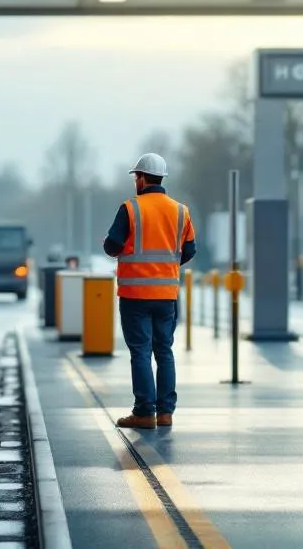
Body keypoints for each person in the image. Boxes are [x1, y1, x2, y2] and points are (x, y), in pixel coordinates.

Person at [103, 153, 196, 430]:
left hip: (135, 297)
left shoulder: (130, 209)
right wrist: (164, 268)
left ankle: (144, 411)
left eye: (136, 177)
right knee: (164, 351)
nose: (135, 181)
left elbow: (112, 246)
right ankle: (165, 412)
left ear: (141, 178)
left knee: (141, 352)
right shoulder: (181, 211)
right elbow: (189, 250)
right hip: (167, 296)